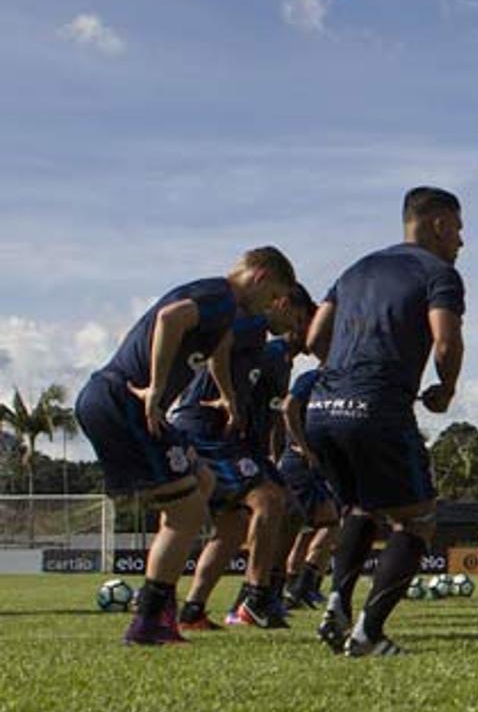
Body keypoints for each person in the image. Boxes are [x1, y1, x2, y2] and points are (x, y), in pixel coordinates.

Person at [73, 247, 299, 645]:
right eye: (273, 295)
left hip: (121, 403)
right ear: (260, 276)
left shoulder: (226, 313)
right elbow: (170, 318)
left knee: (204, 480)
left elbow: (220, 350)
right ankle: (150, 622)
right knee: (187, 509)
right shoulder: (220, 293)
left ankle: (170, 605)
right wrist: (158, 389)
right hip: (124, 400)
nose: (272, 305)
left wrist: (228, 395)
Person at [305, 187, 467, 658]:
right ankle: (369, 632)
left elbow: (316, 336)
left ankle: (337, 599)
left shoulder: (355, 269)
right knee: (417, 520)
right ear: (437, 223)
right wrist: (446, 388)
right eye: (457, 228)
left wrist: (342, 371)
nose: (461, 241)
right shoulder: (439, 273)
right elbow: (446, 341)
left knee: (358, 508)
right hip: (376, 407)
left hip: (322, 408)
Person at [171, 288, 314, 631]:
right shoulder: (264, 338)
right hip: (208, 431)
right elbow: (220, 346)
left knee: (233, 528)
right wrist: (226, 399)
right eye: (304, 320)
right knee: (272, 500)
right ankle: (254, 597)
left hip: (219, 434)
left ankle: (192, 609)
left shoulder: (272, 350)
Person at [279, 364, 339, 611]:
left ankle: (299, 587)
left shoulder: (337, 382)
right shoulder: (313, 378)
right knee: (329, 522)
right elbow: (288, 407)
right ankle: (299, 586)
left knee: (306, 529)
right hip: (301, 463)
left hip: (317, 465)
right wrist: (302, 447)